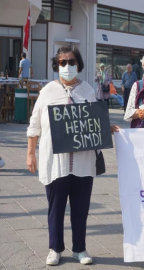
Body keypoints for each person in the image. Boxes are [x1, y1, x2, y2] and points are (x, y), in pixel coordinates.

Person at [26, 46, 98, 266]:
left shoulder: (88, 90)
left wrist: (106, 127)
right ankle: (55, 248)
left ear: (79, 64)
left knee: (81, 207)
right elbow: (35, 124)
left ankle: (80, 248)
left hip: (83, 161)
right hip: (56, 161)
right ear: (56, 66)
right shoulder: (48, 91)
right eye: (63, 62)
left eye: (72, 61)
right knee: (55, 207)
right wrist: (30, 154)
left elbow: (95, 121)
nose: (68, 66)